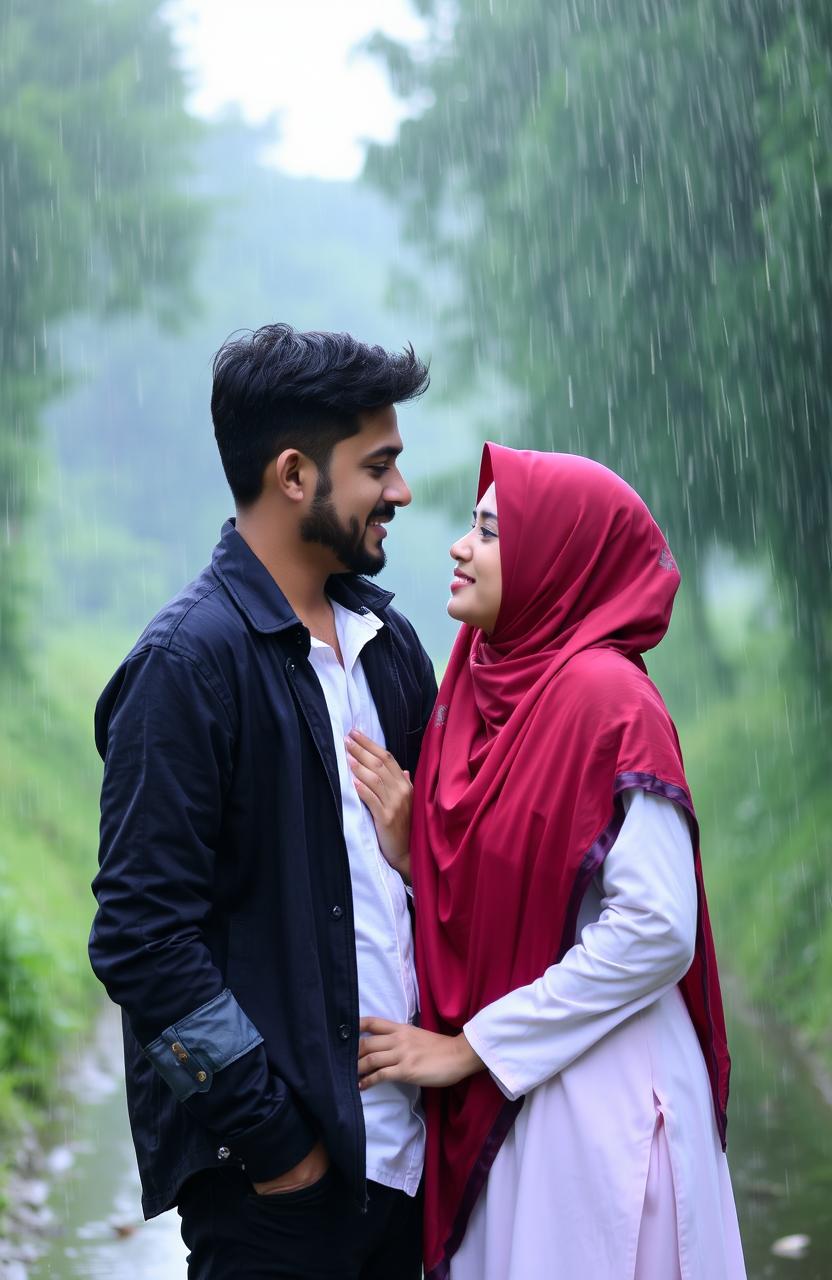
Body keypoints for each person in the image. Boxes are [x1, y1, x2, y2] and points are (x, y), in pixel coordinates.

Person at [88, 324, 437, 1279]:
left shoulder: (389, 646)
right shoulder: (184, 668)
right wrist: (277, 1144)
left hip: (415, 1175)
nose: (399, 493)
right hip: (279, 1204)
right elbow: (140, 939)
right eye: (379, 466)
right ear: (293, 474)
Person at [352, 443, 747, 1279]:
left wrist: (471, 1049)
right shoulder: (482, 684)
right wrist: (420, 860)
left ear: (557, 562)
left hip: (601, 1098)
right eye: (471, 527)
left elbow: (656, 927)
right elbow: (532, 881)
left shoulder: (608, 698)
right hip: (527, 1100)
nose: (461, 546)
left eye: (491, 533)